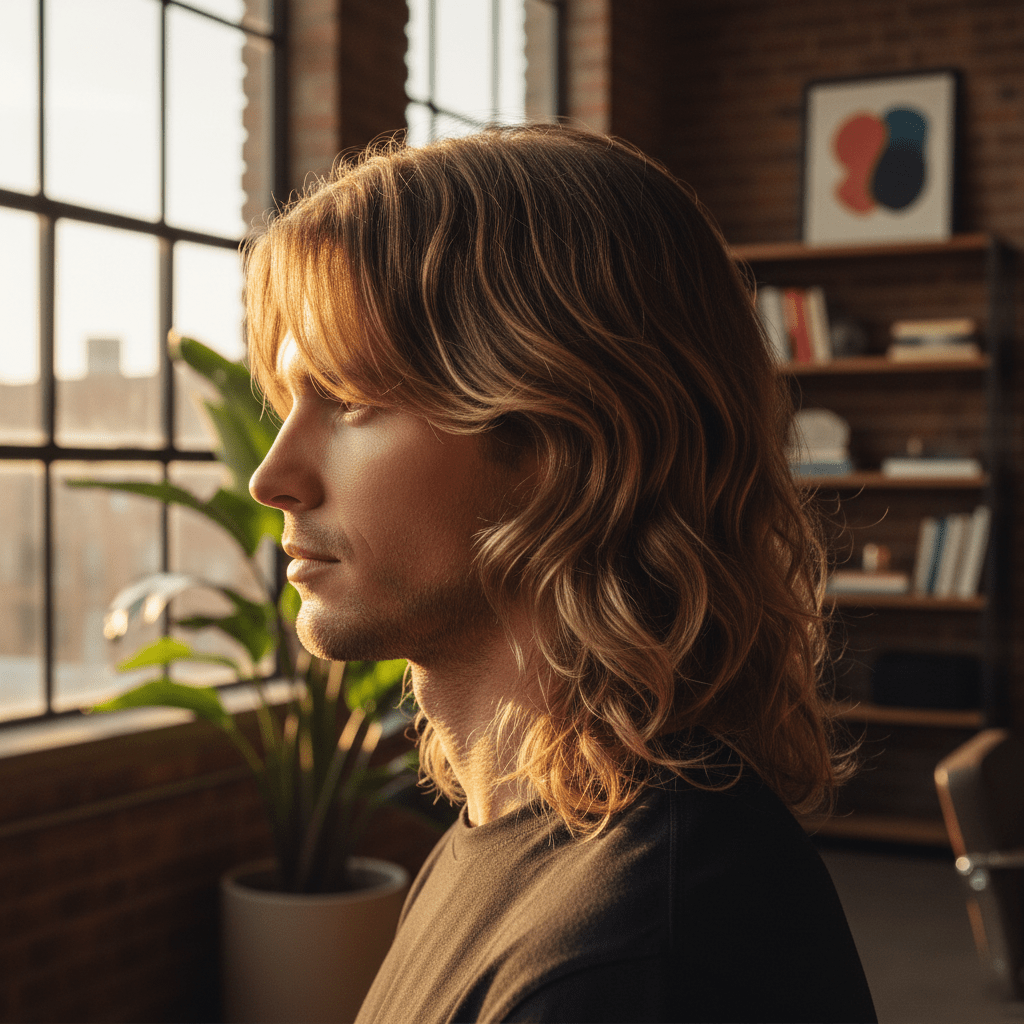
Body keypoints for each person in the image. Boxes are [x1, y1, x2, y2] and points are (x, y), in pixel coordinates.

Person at [246, 124, 877, 1024]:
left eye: (352, 402)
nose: (272, 477)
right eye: (289, 402)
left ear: (564, 442)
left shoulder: (626, 963)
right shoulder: (515, 827)